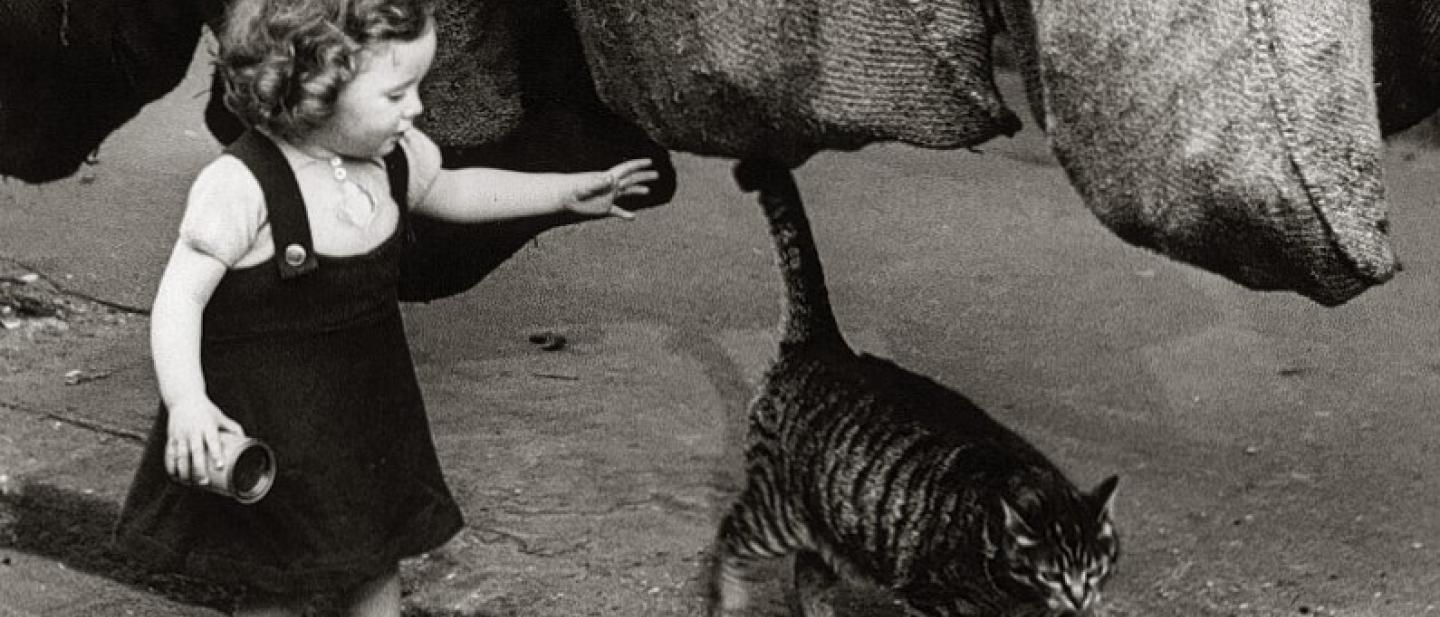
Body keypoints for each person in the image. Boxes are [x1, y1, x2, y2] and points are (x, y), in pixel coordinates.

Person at [111, 0, 657, 615]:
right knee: (280, 583)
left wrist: (564, 192)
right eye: (397, 94)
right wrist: (188, 400)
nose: (416, 108)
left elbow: (454, 189)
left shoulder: (391, 156)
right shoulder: (241, 185)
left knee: (376, 560)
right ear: (314, 88)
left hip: (365, 420)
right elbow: (180, 298)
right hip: (273, 430)